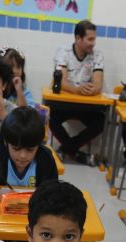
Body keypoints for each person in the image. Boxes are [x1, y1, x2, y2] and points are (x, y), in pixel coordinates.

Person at [50, 19, 105, 166]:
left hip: (86, 106)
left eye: (94, 39)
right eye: (90, 39)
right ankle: (77, 154)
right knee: (49, 118)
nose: (93, 43)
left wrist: (92, 89)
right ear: (78, 38)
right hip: (65, 104)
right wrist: (77, 89)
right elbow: (60, 81)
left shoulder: (97, 55)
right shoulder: (63, 52)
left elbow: (98, 84)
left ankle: (67, 149)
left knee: (102, 122)